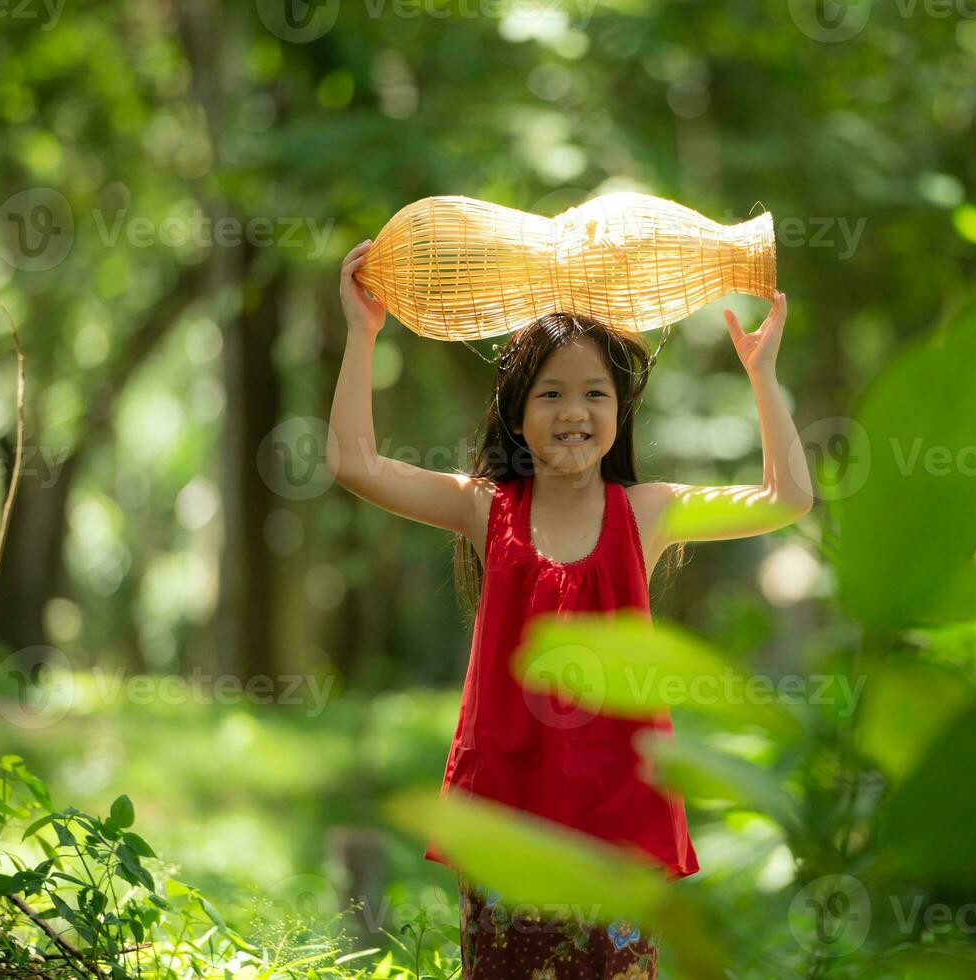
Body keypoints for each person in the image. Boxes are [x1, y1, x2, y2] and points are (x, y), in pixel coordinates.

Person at [328, 238, 812, 978]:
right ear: (517, 415)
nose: (573, 412)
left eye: (595, 393)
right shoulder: (481, 508)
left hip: (620, 825)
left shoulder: (647, 513)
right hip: (505, 817)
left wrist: (763, 373)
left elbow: (787, 499)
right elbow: (354, 464)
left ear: (619, 411)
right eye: (551, 393)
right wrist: (362, 334)